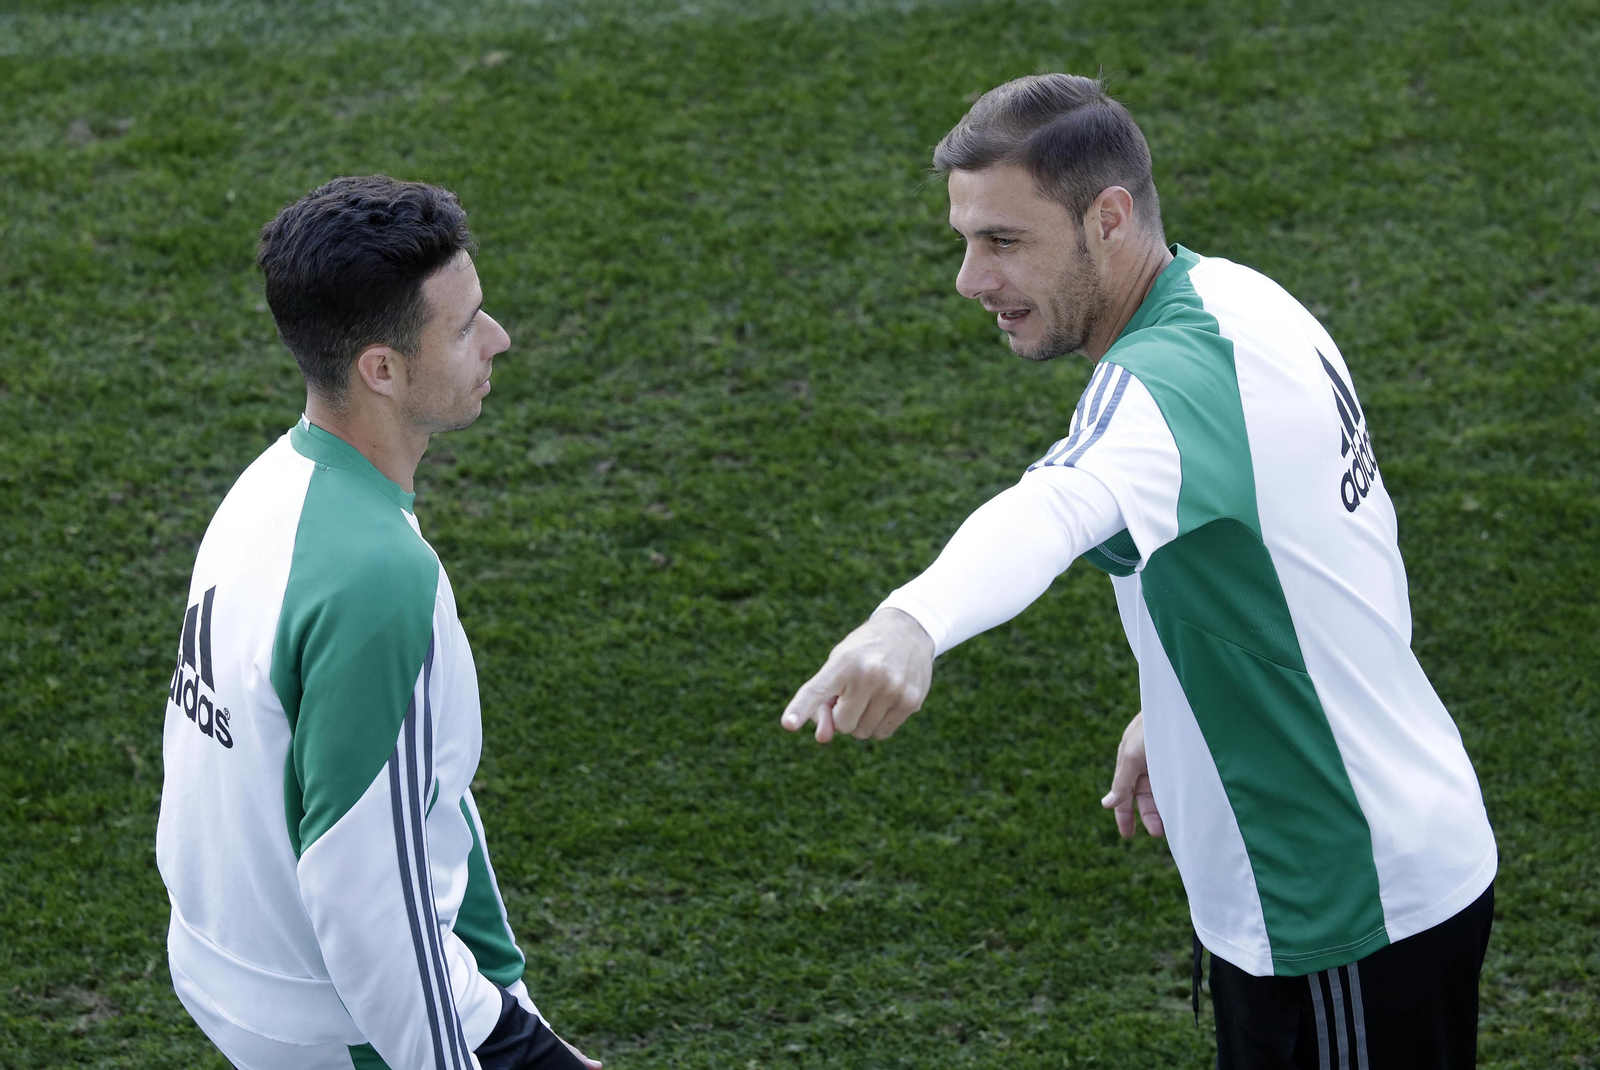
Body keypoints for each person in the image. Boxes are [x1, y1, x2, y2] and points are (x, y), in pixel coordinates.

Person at [780, 75, 1497, 1070]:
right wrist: (1176, 705)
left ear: (1106, 218)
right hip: (1393, 844)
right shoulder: (1237, 299)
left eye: (1003, 240)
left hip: (1337, 901)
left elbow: (1052, 507)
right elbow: (1310, 552)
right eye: (964, 239)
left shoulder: (1158, 388)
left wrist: (911, 620)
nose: (968, 279)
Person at [156, 175, 599, 1070]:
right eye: (467, 324)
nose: (499, 339)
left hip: (230, 970)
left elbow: (425, 799)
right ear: (383, 369)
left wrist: (511, 998)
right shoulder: (380, 580)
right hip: (341, 1025)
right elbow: (370, 900)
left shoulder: (270, 486)